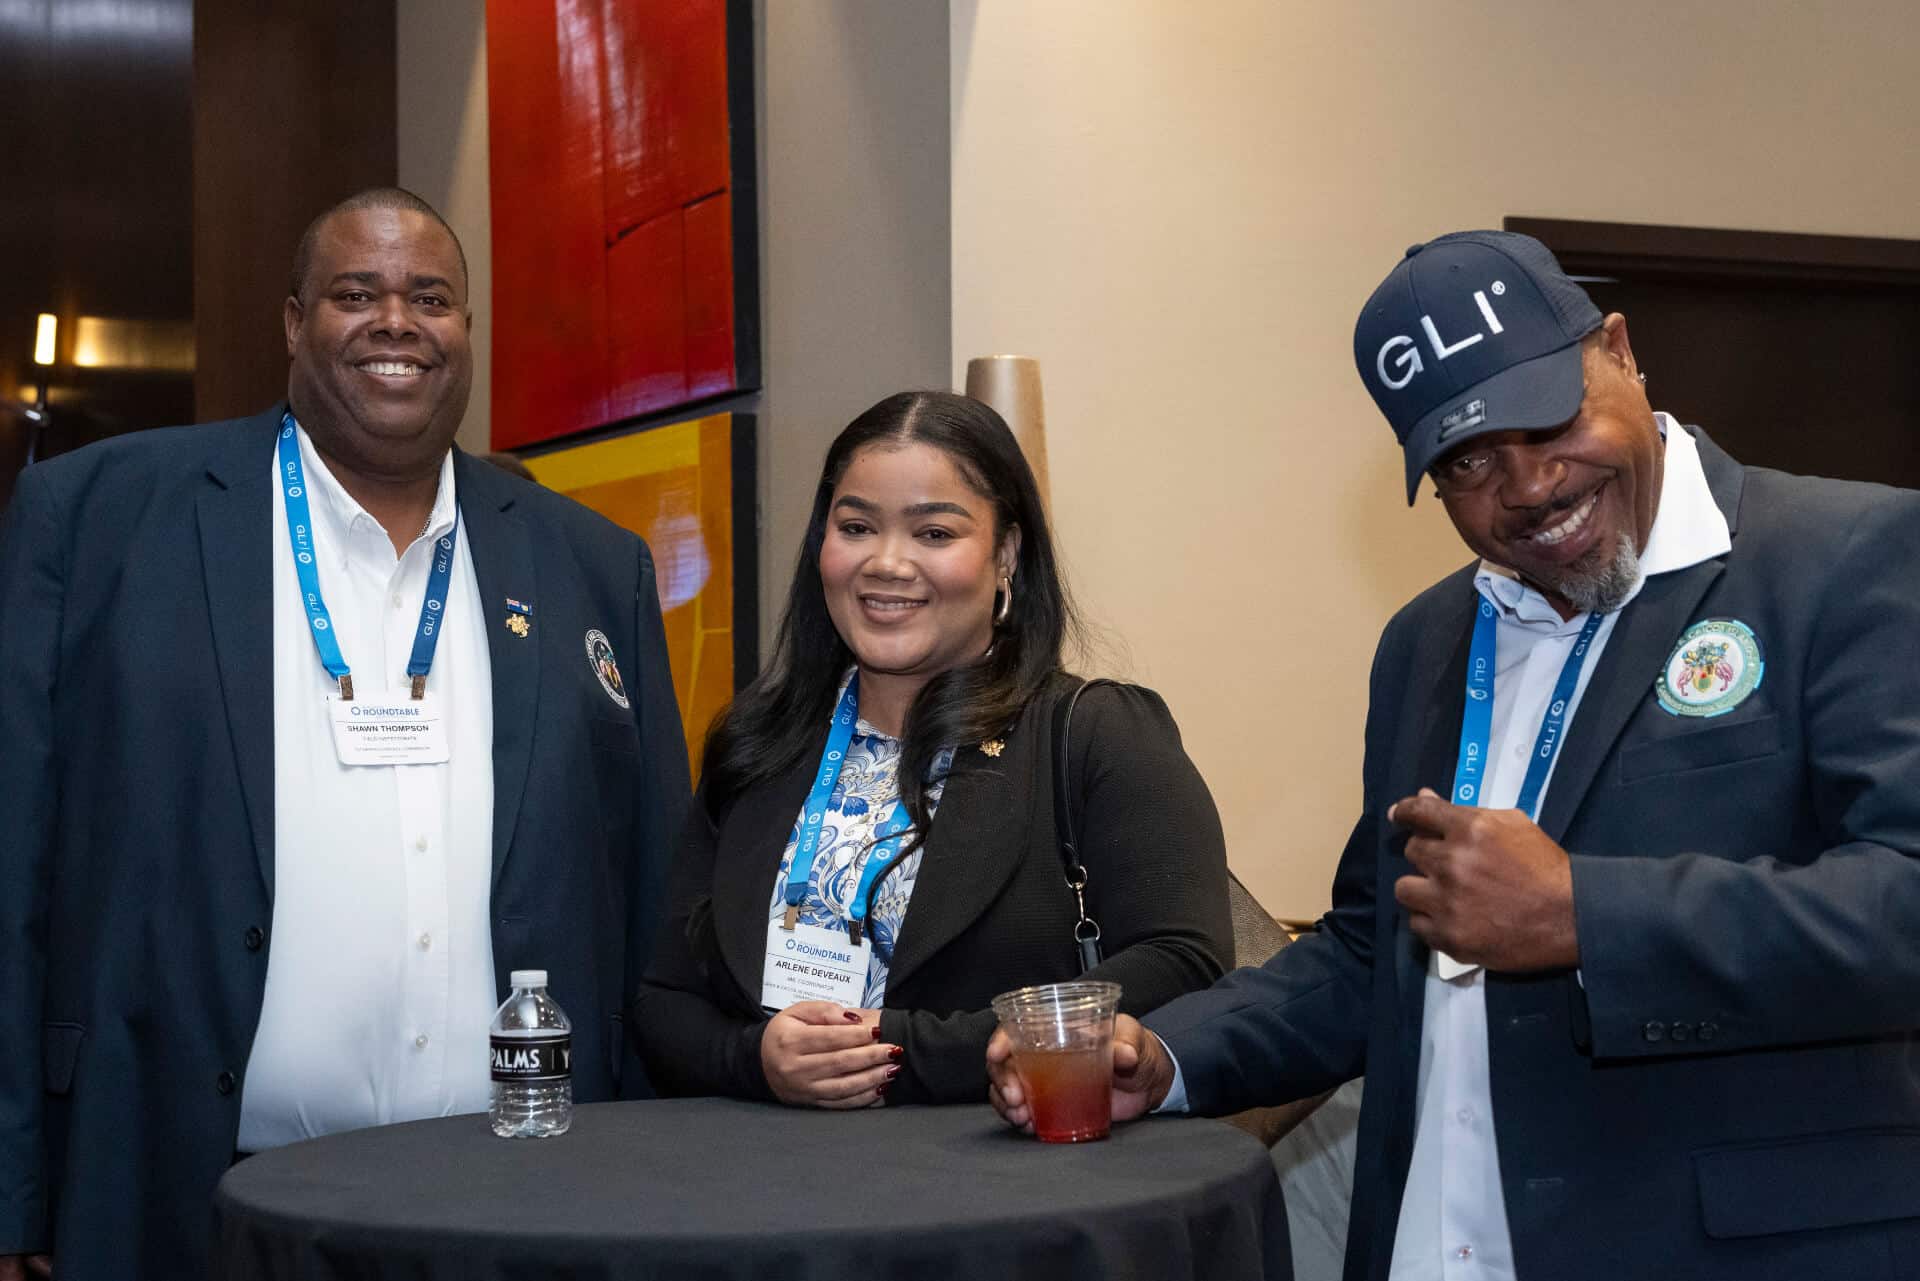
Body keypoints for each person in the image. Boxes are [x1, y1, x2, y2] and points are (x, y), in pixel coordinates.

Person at [991, 230, 1920, 1278]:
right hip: (1436, 1245)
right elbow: (1368, 950)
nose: (1528, 486)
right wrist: (1163, 1057)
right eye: (1469, 461)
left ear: (1619, 350)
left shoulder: (1845, 562)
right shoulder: (1426, 643)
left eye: (1550, 418)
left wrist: (1587, 915)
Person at [0, 188, 690, 1280]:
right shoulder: (101, 521)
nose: (396, 323)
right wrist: (15, 1193)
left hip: (527, 1202)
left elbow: (653, 890)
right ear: (290, 324)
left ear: (467, 332)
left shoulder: (591, 566)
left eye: (431, 297)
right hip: (187, 1196)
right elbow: (15, 866)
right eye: (354, 294)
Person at [632, 391, 1231, 1107]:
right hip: (765, 1192)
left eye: (935, 534)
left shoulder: (1095, 734)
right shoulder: (758, 745)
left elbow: (1186, 962)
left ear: (1006, 553)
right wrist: (753, 1057)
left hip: (996, 1189)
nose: (887, 562)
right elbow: (663, 998)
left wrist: (904, 1050)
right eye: (856, 526)